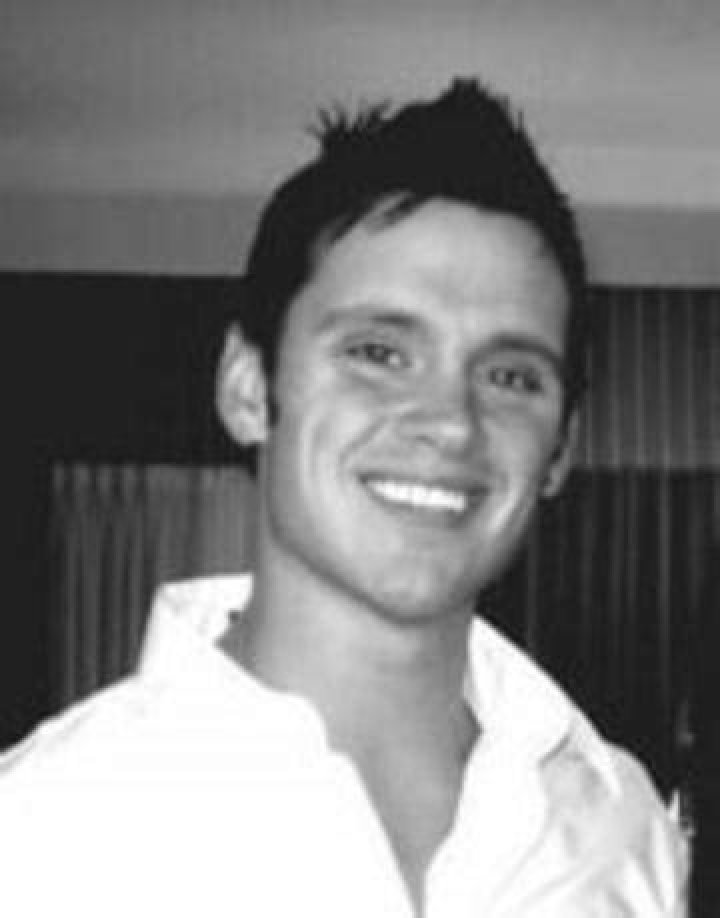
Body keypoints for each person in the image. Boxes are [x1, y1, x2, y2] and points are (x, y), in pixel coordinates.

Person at [0, 79, 686, 916]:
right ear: (248, 388)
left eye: (511, 376)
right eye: (379, 352)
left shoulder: (625, 831)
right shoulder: (36, 833)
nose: (450, 423)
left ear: (560, 451)